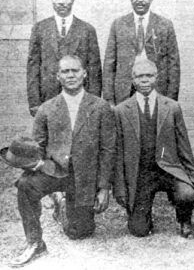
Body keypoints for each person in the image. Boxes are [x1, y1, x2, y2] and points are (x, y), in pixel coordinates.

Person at [9, 55, 115, 267]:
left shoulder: (101, 107)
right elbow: (37, 147)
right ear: (58, 76)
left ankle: (63, 206)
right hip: (54, 172)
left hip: (84, 178)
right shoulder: (46, 108)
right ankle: (35, 242)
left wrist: (103, 188)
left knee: (79, 232)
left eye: (75, 70)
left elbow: (107, 150)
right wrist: (35, 167)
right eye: (65, 72)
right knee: (25, 185)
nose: (71, 75)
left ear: (84, 73)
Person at [114, 58, 194, 239]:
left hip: (168, 169)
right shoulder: (121, 111)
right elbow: (119, 153)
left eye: (149, 75)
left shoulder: (172, 107)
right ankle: (145, 216)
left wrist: (193, 179)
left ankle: (184, 219)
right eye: (139, 76)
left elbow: (184, 147)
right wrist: (120, 188)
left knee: (186, 193)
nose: (144, 80)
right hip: (141, 174)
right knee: (139, 231)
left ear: (156, 78)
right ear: (132, 79)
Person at [27, 0, 102, 117]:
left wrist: (93, 103)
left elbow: (94, 69)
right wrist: (34, 103)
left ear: (73, 0)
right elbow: (33, 68)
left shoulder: (87, 30)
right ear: (52, 0)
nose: (61, 1)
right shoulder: (40, 28)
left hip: (79, 96)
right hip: (48, 97)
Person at [103, 0, 180, 106]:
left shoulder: (165, 25)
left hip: (157, 89)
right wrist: (109, 99)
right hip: (125, 91)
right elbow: (109, 64)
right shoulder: (118, 24)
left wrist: (171, 98)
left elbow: (174, 65)